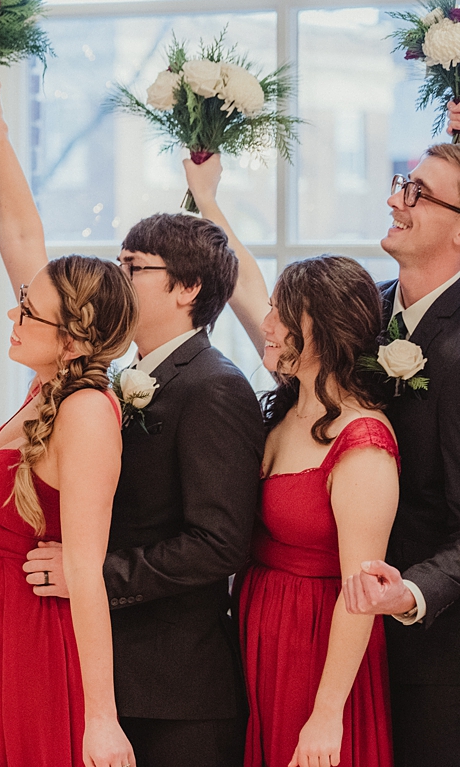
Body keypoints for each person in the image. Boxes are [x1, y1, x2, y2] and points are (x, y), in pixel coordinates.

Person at [0, 74, 268, 765]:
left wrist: (97, 573)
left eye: (133, 265)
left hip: (173, 683)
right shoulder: (96, 371)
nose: (117, 274)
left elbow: (221, 542)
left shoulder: (214, 388)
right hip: (87, 652)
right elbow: (22, 238)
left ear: (187, 289)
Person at [185, 162, 399, 766]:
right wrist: (208, 199)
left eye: (284, 313)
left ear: (324, 330)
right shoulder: (287, 401)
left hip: (317, 646)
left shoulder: (363, 440)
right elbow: (246, 284)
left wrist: (328, 711)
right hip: (257, 628)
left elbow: (361, 592)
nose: (267, 323)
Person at [0, 67, 139, 767]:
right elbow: (20, 232)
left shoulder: (88, 413)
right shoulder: (49, 379)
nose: (13, 310)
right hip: (1, 613)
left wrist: (102, 718)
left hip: (41, 632)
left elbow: (87, 572)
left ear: (73, 338)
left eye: (27, 310)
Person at [335, 138, 460, 765]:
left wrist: (410, 593)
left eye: (417, 192)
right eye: (399, 183)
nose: (394, 199)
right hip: (337, 629)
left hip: (435, 657)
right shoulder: (368, 309)